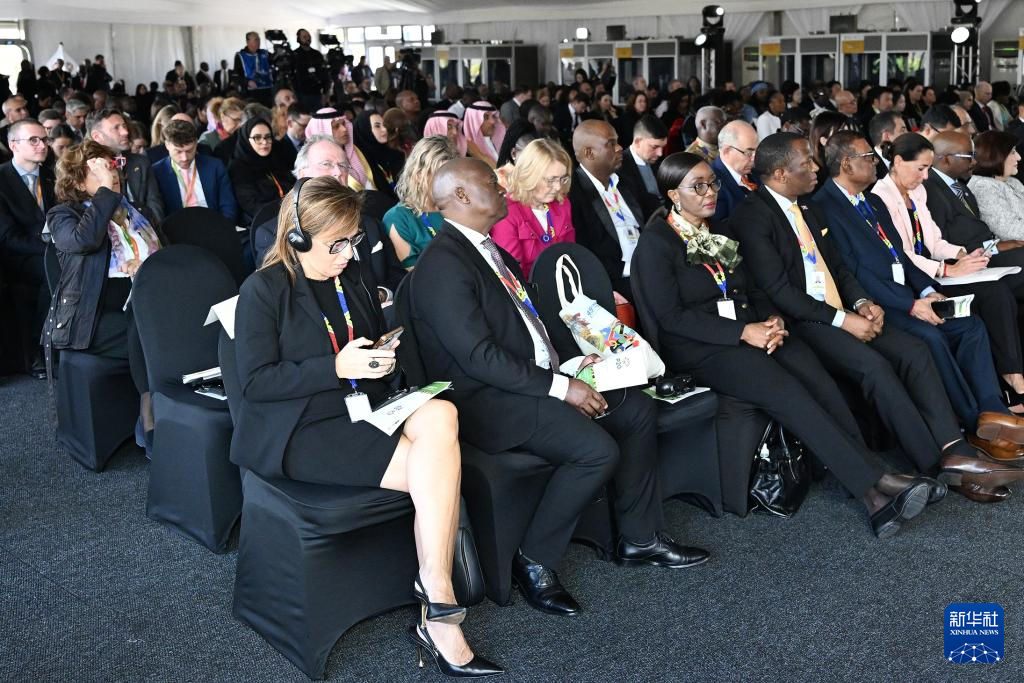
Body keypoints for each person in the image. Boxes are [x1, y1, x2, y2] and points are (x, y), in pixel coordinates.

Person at [411, 157, 709, 617]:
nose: (503, 187)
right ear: (462, 196)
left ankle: (639, 538)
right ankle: (534, 560)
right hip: (486, 400)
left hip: (529, 381)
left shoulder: (489, 249)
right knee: (596, 451)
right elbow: (479, 358)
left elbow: (531, 325)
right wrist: (560, 387)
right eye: (492, 182)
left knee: (636, 410)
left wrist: (573, 364)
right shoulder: (442, 265)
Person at [232, 175, 501, 677]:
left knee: (442, 414)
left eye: (353, 240)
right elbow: (254, 383)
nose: (349, 253)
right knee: (438, 469)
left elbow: (369, 341)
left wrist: (382, 357)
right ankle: (440, 606)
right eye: (335, 244)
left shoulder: (350, 277)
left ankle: (436, 589)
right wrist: (335, 367)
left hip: (362, 408)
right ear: (297, 238)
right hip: (301, 428)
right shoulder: (263, 290)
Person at [632, 151, 944, 532]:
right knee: (786, 391)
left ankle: (875, 490)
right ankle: (875, 486)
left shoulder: (720, 231)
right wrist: (743, 332)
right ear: (673, 195)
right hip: (702, 348)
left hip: (752, 331)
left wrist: (772, 321)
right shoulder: (656, 243)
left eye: (712, 183)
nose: (710, 192)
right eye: (698, 187)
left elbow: (752, 289)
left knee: (816, 377)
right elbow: (671, 318)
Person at [732, 132, 1012, 499]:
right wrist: (844, 320)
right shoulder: (753, 216)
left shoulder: (807, 207)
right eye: (806, 162)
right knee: (874, 367)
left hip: (841, 309)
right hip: (803, 321)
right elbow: (780, 291)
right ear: (781, 173)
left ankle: (955, 449)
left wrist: (862, 302)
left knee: (914, 351)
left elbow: (839, 268)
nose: (816, 167)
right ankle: (937, 466)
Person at [811, 135, 1024, 453]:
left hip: (907, 291)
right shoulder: (825, 207)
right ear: (846, 164)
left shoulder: (871, 201)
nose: (876, 161)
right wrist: (911, 304)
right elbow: (855, 272)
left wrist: (926, 290)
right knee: (931, 337)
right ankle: (975, 423)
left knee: (970, 326)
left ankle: (994, 410)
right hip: (878, 303)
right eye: (869, 157)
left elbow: (900, 256)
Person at [873, 132, 1024, 421]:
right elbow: (903, 254)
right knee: (991, 297)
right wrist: (946, 269)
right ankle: (1009, 385)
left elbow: (934, 241)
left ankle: (1007, 386)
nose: (926, 176)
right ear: (898, 162)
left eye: (928, 169)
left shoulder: (917, 192)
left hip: (936, 274)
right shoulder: (881, 197)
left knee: (995, 290)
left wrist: (962, 255)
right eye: (921, 168)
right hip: (916, 281)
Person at [44, 140, 161, 408]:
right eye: (101, 171)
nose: (113, 175)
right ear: (78, 183)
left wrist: (144, 266)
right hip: (93, 317)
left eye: (113, 167)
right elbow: (83, 241)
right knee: (147, 327)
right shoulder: (62, 215)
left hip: (150, 300)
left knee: (162, 318)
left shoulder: (135, 211)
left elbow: (164, 253)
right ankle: (150, 411)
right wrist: (106, 192)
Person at [0, 119, 56, 378]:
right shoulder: (2, 179)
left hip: (52, 250)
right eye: (34, 140)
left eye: (44, 139)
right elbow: (8, 237)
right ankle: (37, 347)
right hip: (17, 255)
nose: (42, 145)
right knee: (53, 271)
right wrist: (51, 249)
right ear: (14, 145)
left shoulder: (51, 175)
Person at [569, 119, 644, 302]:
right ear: (589, 153)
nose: (619, 148)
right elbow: (583, 252)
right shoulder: (573, 193)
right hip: (614, 284)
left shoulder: (626, 181)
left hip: (647, 269)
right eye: (611, 144)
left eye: (617, 142)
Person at [490, 138, 575, 277]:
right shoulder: (506, 213)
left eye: (562, 179)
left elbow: (572, 254)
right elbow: (513, 275)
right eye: (551, 180)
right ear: (529, 176)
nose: (558, 187)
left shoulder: (562, 203)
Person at [385, 136, 459, 269]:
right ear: (418, 175)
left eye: (452, 174)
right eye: (440, 174)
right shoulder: (398, 218)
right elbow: (414, 273)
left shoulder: (458, 205)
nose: (449, 181)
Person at [87, 109, 165, 225]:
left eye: (124, 126)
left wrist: (152, 232)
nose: (125, 132)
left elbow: (155, 205)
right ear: (97, 136)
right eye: (116, 128)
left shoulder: (141, 162)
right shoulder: (89, 172)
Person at [152, 120, 237, 223]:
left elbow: (228, 206)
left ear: (196, 143)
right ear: (167, 145)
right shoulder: (157, 172)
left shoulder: (215, 166)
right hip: (177, 228)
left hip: (214, 225)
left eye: (189, 150)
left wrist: (223, 227)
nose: (184, 158)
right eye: (178, 152)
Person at [228, 118, 294, 224]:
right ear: (246, 139)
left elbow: (293, 186)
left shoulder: (277, 157)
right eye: (257, 138)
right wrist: (285, 214)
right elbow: (251, 204)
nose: (264, 142)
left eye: (268, 137)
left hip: (291, 214)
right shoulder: (239, 167)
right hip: (264, 222)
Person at [968, 131, 1024, 241]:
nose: (1019, 157)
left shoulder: (1011, 181)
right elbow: (1010, 230)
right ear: (994, 156)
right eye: (1012, 152)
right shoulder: (983, 187)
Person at [304, 107, 371, 192]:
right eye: (336, 126)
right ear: (322, 131)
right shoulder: (312, 165)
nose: (344, 129)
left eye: (343, 124)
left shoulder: (356, 151)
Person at [616, 115, 667, 223]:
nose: (660, 153)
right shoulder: (619, 168)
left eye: (663, 147)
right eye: (654, 147)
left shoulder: (657, 163)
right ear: (638, 142)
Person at [711, 120, 759, 224]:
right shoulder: (712, 184)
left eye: (756, 151)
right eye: (748, 153)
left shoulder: (755, 171)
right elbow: (723, 227)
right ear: (727, 151)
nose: (754, 159)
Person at [354, 110, 405, 204]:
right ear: (365, 129)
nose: (384, 129)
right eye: (377, 126)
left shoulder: (396, 155)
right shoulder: (361, 163)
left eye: (384, 125)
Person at [291, 29, 328, 111]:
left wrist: (325, 92)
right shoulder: (294, 55)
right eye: (304, 37)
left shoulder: (317, 54)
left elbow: (324, 74)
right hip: (301, 94)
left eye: (309, 36)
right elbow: (292, 77)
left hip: (317, 92)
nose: (308, 38)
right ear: (299, 39)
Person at [233, 31, 273, 106]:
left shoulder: (265, 53)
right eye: (256, 39)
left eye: (259, 39)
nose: (258, 42)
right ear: (248, 42)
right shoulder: (240, 56)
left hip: (267, 92)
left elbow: (276, 62)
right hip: (250, 93)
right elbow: (235, 76)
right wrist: (247, 82)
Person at [463, 101, 505, 168]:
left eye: (493, 116)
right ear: (474, 121)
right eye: (486, 117)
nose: (493, 121)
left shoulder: (496, 141)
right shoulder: (465, 150)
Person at [868, 112, 908, 180]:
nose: (908, 134)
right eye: (903, 130)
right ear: (886, 136)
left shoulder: (910, 154)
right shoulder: (870, 169)